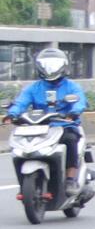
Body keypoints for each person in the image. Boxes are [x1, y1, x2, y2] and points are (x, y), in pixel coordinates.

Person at [8, 42, 88, 200]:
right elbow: (21, 103)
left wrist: (73, 112)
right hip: (38, 128)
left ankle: (71, 179)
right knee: (18, 149)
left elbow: (80, 101)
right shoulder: (33, 88)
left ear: (64, 66)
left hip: (64, 125)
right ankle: (22, 184)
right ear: (38, 67)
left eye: (54, 65)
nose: (50, 69)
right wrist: (12, 114)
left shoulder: (72, 87)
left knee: (70, 140)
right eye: (46, 65)